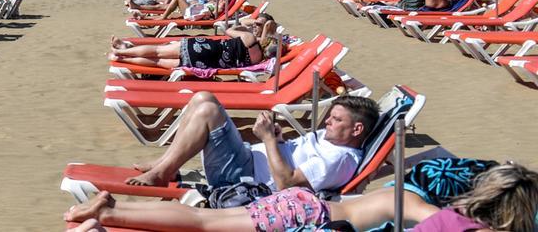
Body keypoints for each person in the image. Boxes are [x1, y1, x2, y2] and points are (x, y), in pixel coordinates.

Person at [65, 162, 538, 232]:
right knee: (207, 225)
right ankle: (109, 215)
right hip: (306, 216)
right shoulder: (436, 217)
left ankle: (112, 210)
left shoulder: (418, 203)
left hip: (309, 209)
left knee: (208, 222)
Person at [123, 93, 377, 194]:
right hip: (246, 161)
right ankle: (164, 165)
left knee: (209, 111)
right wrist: (278, 140)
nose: (327, 122)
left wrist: (267, 139)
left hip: (242, 178)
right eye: (330, 116)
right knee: (202, 98)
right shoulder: (333, 140)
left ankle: (163, 171)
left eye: (336, 119)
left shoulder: (339, 159)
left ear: (357, 129)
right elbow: (293, 157)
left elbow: (286, 183)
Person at [108, 14, 278, 70]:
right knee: (158, 61)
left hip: (203, 47)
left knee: (158, 50)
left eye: (258, 24)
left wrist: (248, 22)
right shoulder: (259, 58)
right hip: (204, 64)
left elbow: (229, 30)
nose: (254, 26)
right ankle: (123, 56)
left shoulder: (248, 38)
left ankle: (121, 52)